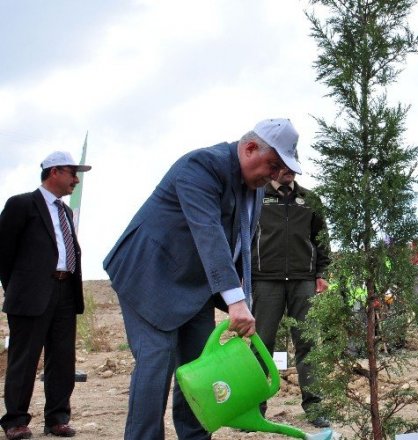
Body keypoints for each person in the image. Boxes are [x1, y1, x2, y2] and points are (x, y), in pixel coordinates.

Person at [103, 118, 301, 440]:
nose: (275, 175)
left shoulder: (252, 186)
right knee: (157, 361)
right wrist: (236, 302)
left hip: (194, 283)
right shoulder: (201, 166)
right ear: (250, 148)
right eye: (273, 165)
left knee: (200, 367)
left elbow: (241, 246)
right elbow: (209, 234)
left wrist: (243, 299)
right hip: (149, 274)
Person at [0, 151, 92, 439]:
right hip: (31, 295)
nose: (76, 180)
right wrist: (17, 288)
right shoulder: (22, 204)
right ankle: (15, 421)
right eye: (72, 173)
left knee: (63, 358)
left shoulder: (64, 211)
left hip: (65, 291)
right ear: (54, 172)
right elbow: (4, 251)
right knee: (24, 359)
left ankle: (57, 418)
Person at [251, 168, 331, 428]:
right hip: (265, 280)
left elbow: (322, 239)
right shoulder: (256, 196)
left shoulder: (310, 199)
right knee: (261, 344)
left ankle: (314, 406)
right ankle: (255, 408)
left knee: (307, 343)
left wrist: (322, 272)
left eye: (292, 166)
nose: (288, 171)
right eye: (283, 166)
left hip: (303, 280)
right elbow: (244, 234)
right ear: (273, 168)